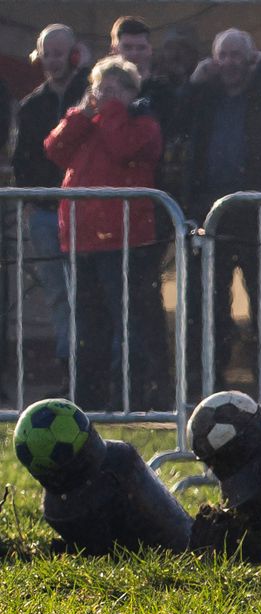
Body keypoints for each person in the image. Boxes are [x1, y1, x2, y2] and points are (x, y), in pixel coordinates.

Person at [178, 29, 261, 400]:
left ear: (251, 58)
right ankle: (207, 383)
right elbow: (177, 122)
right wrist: (193, 84)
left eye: (237, 56)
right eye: (223, 56)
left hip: (252, 213)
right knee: (209, 303)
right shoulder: (205, 98)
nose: (230, 64)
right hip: (208, 212)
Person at [44, 56, 162, 410]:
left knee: (128, 325)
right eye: (99, 88)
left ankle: (132, 399)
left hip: (123, 241)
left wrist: (111, 109)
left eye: (113, 89)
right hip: (81, 241)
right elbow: (54, 148)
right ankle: (89, 402)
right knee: (88, 327)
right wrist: (80, 114)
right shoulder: (89, 122)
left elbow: (122, 148)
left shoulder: (143, 123)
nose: (104, 96)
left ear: (130, 92)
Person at [11, 24, 90, 395]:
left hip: (88, 212)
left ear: (74, 53)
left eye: (61, 52)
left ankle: (94, 367)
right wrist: (29, 202)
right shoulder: (31, 106)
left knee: (88, 292)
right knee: (58, 292)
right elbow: (22, 162)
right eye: (49, 53)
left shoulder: (90, 97)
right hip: (45, 212)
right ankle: (68, 366)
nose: (55, 61)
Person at [109, 16, 176, 408]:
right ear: (114, 47)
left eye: (139, 47)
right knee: (114, 303)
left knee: (144, 300)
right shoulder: (99, 90)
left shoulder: (164, 93)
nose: (133, 53)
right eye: (126, 46)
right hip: (105, 212)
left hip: (152, 206)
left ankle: (156, 384)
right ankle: (121, 386)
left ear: (149, 50)